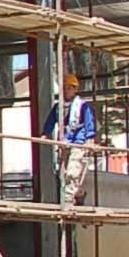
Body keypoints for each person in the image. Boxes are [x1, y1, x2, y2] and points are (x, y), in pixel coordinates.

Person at [42, 73, 97, 204]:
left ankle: (67, 200)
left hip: (78, 141)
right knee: (64, 172)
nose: (66, 91)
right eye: (65, 88)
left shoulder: (81, 106)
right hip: (64, 142)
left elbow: (89, 122)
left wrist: (90, 138)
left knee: (73, 171)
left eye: (69, 88)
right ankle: (78, 194)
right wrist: (46, 133)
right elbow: (50, 121)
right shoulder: (58, 107)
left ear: (75, 89)